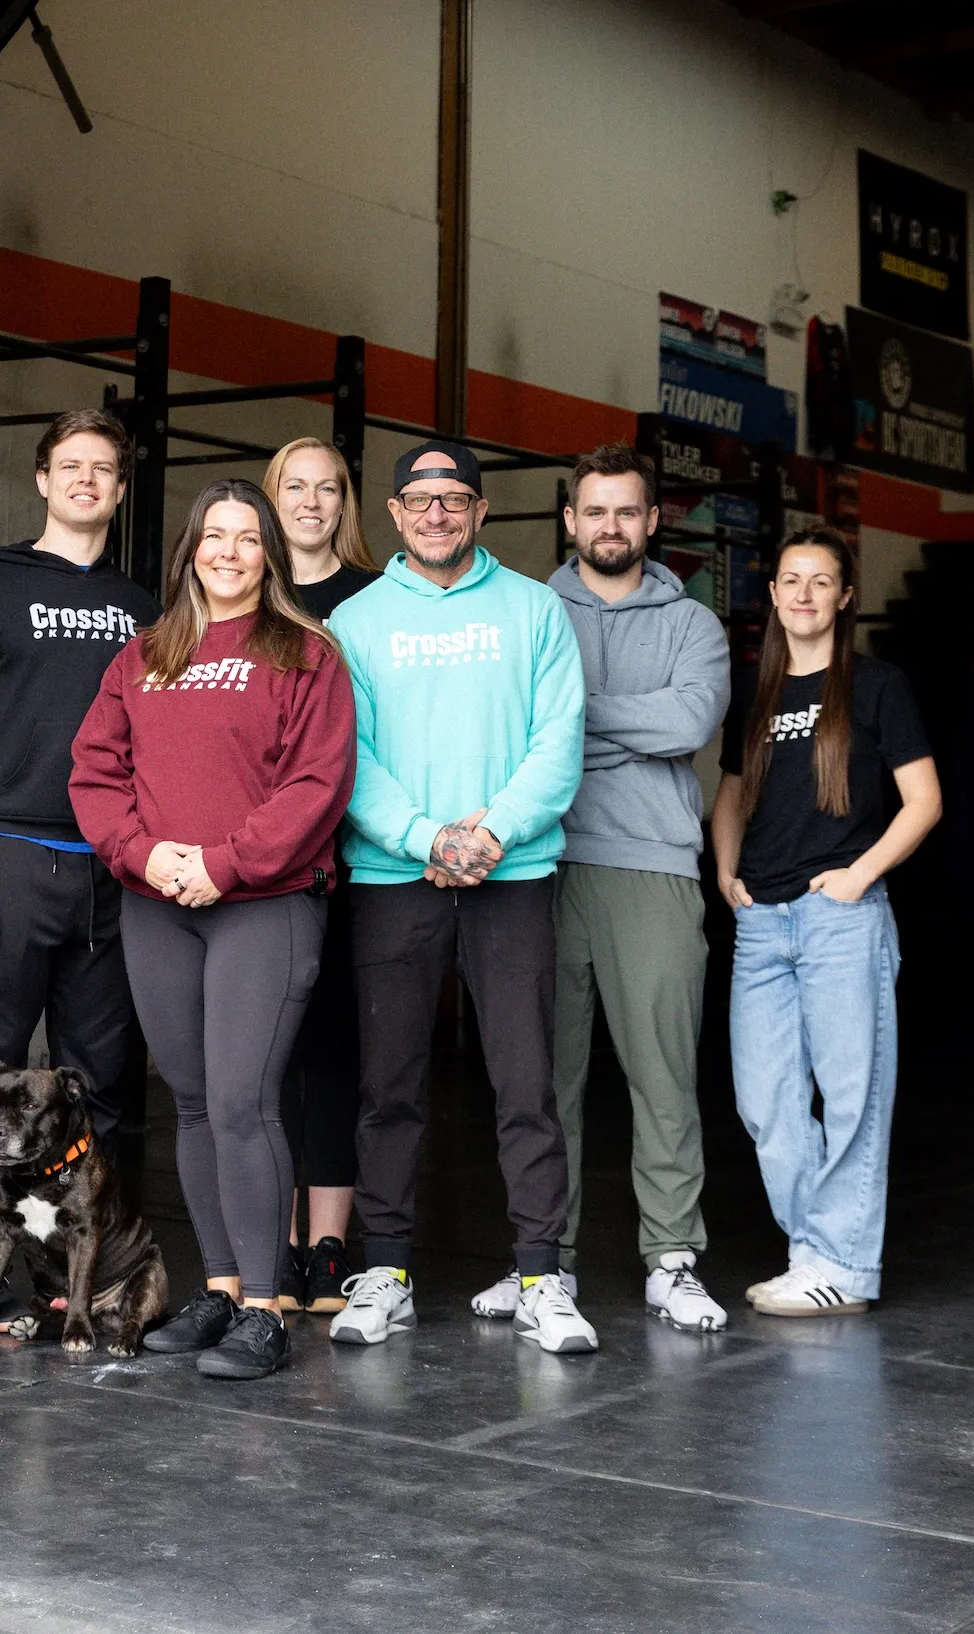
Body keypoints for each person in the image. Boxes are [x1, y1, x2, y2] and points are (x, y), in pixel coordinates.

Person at [70, 479, 356, 1382]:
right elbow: (94, 772)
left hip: (264, 904)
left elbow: (316, 787)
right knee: (192, 1103)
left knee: (244, 1102)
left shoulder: (307, 653)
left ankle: (268, 1307)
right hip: (157, 902)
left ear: (268, 553)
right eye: (213, 537)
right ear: (189, 548)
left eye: (246, 538)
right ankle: (225, 1289)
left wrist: (221, 864)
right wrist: (145, 856)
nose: (228, 552)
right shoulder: (144, 655)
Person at [326, 440, 595, 1355]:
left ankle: (540, 1277)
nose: (436, 513)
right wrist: (425, 838)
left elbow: (560, 737)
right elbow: (347, 756)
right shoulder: (356, 622)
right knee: (388, 1088)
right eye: (418, 500)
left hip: (511, 875)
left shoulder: (534, 610)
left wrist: (489, 835)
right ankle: (389, 1271)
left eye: (454, 499)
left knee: (526, 1085)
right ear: (393, 515)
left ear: (481, 512)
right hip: (395, 878)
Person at [473, 444, 731, 1334]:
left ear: (651, 521)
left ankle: (672, 1259)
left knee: (662, 1074)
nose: (611, 526)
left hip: (653, 865)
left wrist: (574, 715)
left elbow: (690, 721)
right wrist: (616, 722)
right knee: (545, 1081)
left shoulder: (693, 624)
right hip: (537, 861)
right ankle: (549, 1265)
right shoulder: (531, 611)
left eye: (628, 511)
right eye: (595, 511)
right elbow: (512, 727)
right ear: (570, 520)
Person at [0, 410, 158, 1328]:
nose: (87, 481)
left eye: (104, 467)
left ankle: (74, 1273)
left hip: (111, 868)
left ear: (121, 487)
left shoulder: (144, 610)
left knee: (95, 1083)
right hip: (9, 861)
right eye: (71, 466)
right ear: (42, 479)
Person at [712, 529, 940, 1317]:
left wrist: (860, 877)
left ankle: (839, 1262)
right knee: (766, 1101)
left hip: (841, 920)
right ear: (771, 594)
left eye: (821, 581)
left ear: (846, 597)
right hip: (762, 925)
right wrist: (725, 872)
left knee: (851, 1097)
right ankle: (817, 1251)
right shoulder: (756, 691)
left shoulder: (876, 686)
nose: (803, 594)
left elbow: (925, 802)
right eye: (790, 580)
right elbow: (733, 794)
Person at [263, 436, 379, 1315]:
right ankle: (272, 1238)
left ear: (347, 501)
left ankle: (330, 1243)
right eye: (293, 488)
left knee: (334, 1044)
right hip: (257, 860)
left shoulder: (377, 601)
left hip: (354, 853)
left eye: (326, 488)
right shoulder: (237, 592)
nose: (309, 502)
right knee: (265, 1052)